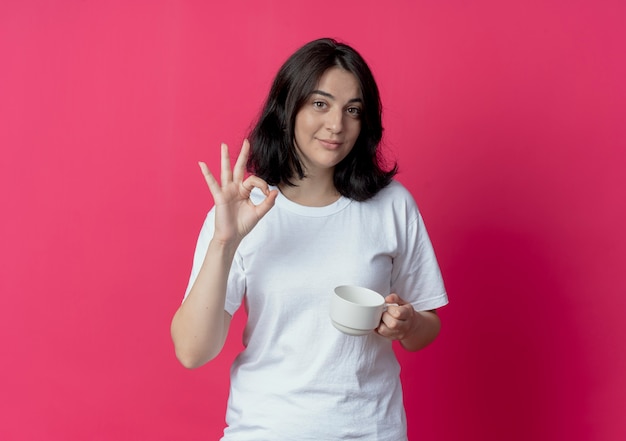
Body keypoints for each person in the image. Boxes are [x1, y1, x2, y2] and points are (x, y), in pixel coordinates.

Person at [171, 38, 448, 440]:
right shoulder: (243, 210)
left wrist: (407, 325)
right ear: (288, 108)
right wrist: (224, 241)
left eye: (353, 110)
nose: (337, 124)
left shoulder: (391, 205)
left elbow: (428, 327)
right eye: (320, 104)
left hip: (370, 430)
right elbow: (192, 351)